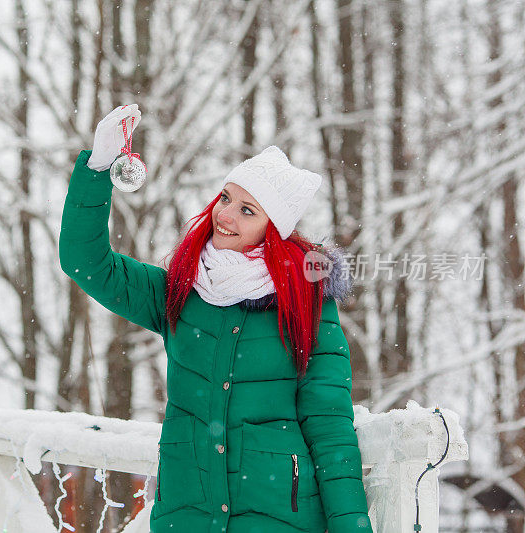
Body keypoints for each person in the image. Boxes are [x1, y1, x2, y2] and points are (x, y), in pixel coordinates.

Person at [59, 104, 373, 533]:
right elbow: (85, 262)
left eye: (248, 210)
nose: (225, 215)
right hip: (186, 515)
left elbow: (329, 423)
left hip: (279, 517)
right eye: (226, 197)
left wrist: (351, 526)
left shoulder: (308, 303)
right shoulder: (178, 293)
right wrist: (98, 167)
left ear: (274, 229)